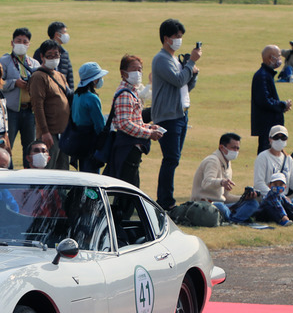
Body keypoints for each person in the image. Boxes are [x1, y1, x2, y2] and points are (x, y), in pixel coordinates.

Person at [151, 18, 200, 210]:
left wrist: (193, 72)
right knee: (171, 159)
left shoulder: (173, 59)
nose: (179, 40)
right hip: (168, 116)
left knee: (174, 159)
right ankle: (165, 201)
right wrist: (191, 64)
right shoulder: (161, 59)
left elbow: (186, 85)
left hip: (180, 114)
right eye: (176, 37)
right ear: (166, 38)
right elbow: (178, 80)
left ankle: (166, 199)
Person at [107, 55, 163, 187]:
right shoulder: (125, 94)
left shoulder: (132, 92)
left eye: (140, 69)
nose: (138, 73)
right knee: (128, 187)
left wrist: (149, 127)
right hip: (127, 148)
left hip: (132, 147)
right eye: (134, 69)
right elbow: (124, 124)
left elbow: (134, 121)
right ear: (123, 72)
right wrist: (148, 133)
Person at [190, 133, 259, 224]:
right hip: (204, 205)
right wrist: (221, 182)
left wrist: (243, 198)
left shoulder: (227, 163)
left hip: (221, 204)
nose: (235, 151)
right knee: (221, 207)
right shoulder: (212, 161)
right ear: (222, 147)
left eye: (237, 148)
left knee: (253, 203)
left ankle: (232, 219)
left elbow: (225, 197)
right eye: (233, 148)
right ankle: (234, 219)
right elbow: (206, 183)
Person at [252, 125, 293, 217]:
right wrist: (277, 196)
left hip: (284, 201)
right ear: (270, 139)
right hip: (268, 200)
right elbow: (258, 184)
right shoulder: (263, 157)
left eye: (283, 138)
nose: (280, 141)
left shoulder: (288, 159)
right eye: (276, 137)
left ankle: (288, 215)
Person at [29, 39, 72, 170]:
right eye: (50, 55)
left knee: (63, 172)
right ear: (42, 56)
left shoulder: (60, 75)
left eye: (56, 55)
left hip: (63, 133)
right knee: (49, 170)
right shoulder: (38, 77)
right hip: (49, 134)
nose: (54, 58)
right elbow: (38, 106)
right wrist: (45, 132)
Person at [0, 28, 39, 165]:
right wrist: (14, 83)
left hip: (29, 111)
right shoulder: (4, 61)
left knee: (30, 146)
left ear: (29, 44)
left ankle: (28, 174)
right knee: (7, 144)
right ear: (12, 43)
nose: (21, 44)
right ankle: (7, 171)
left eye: (25, 42)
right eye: (18, 41)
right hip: (11, 110)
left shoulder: (34, 63)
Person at [251, 45, 292, 154]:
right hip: (267, 127)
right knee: (266, 156)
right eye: (278, 57)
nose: (280, 60)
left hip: (270, 126)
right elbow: (265, 101)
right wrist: (283, 105)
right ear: (270, 58)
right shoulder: (262, 76)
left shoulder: (266, 75)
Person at [70, 61, 108, 173]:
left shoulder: (77, 95)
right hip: (91, 143)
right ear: (94, 80)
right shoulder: (92, 98)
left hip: (79, 141)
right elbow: (99, 125)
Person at [33, 21, 74, 91]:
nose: (67, 35)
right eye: (65, 32)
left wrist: (71, 93)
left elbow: (69, 77)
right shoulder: (41, 51)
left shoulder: (64, 53)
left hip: (63, 92)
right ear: (57, 35)